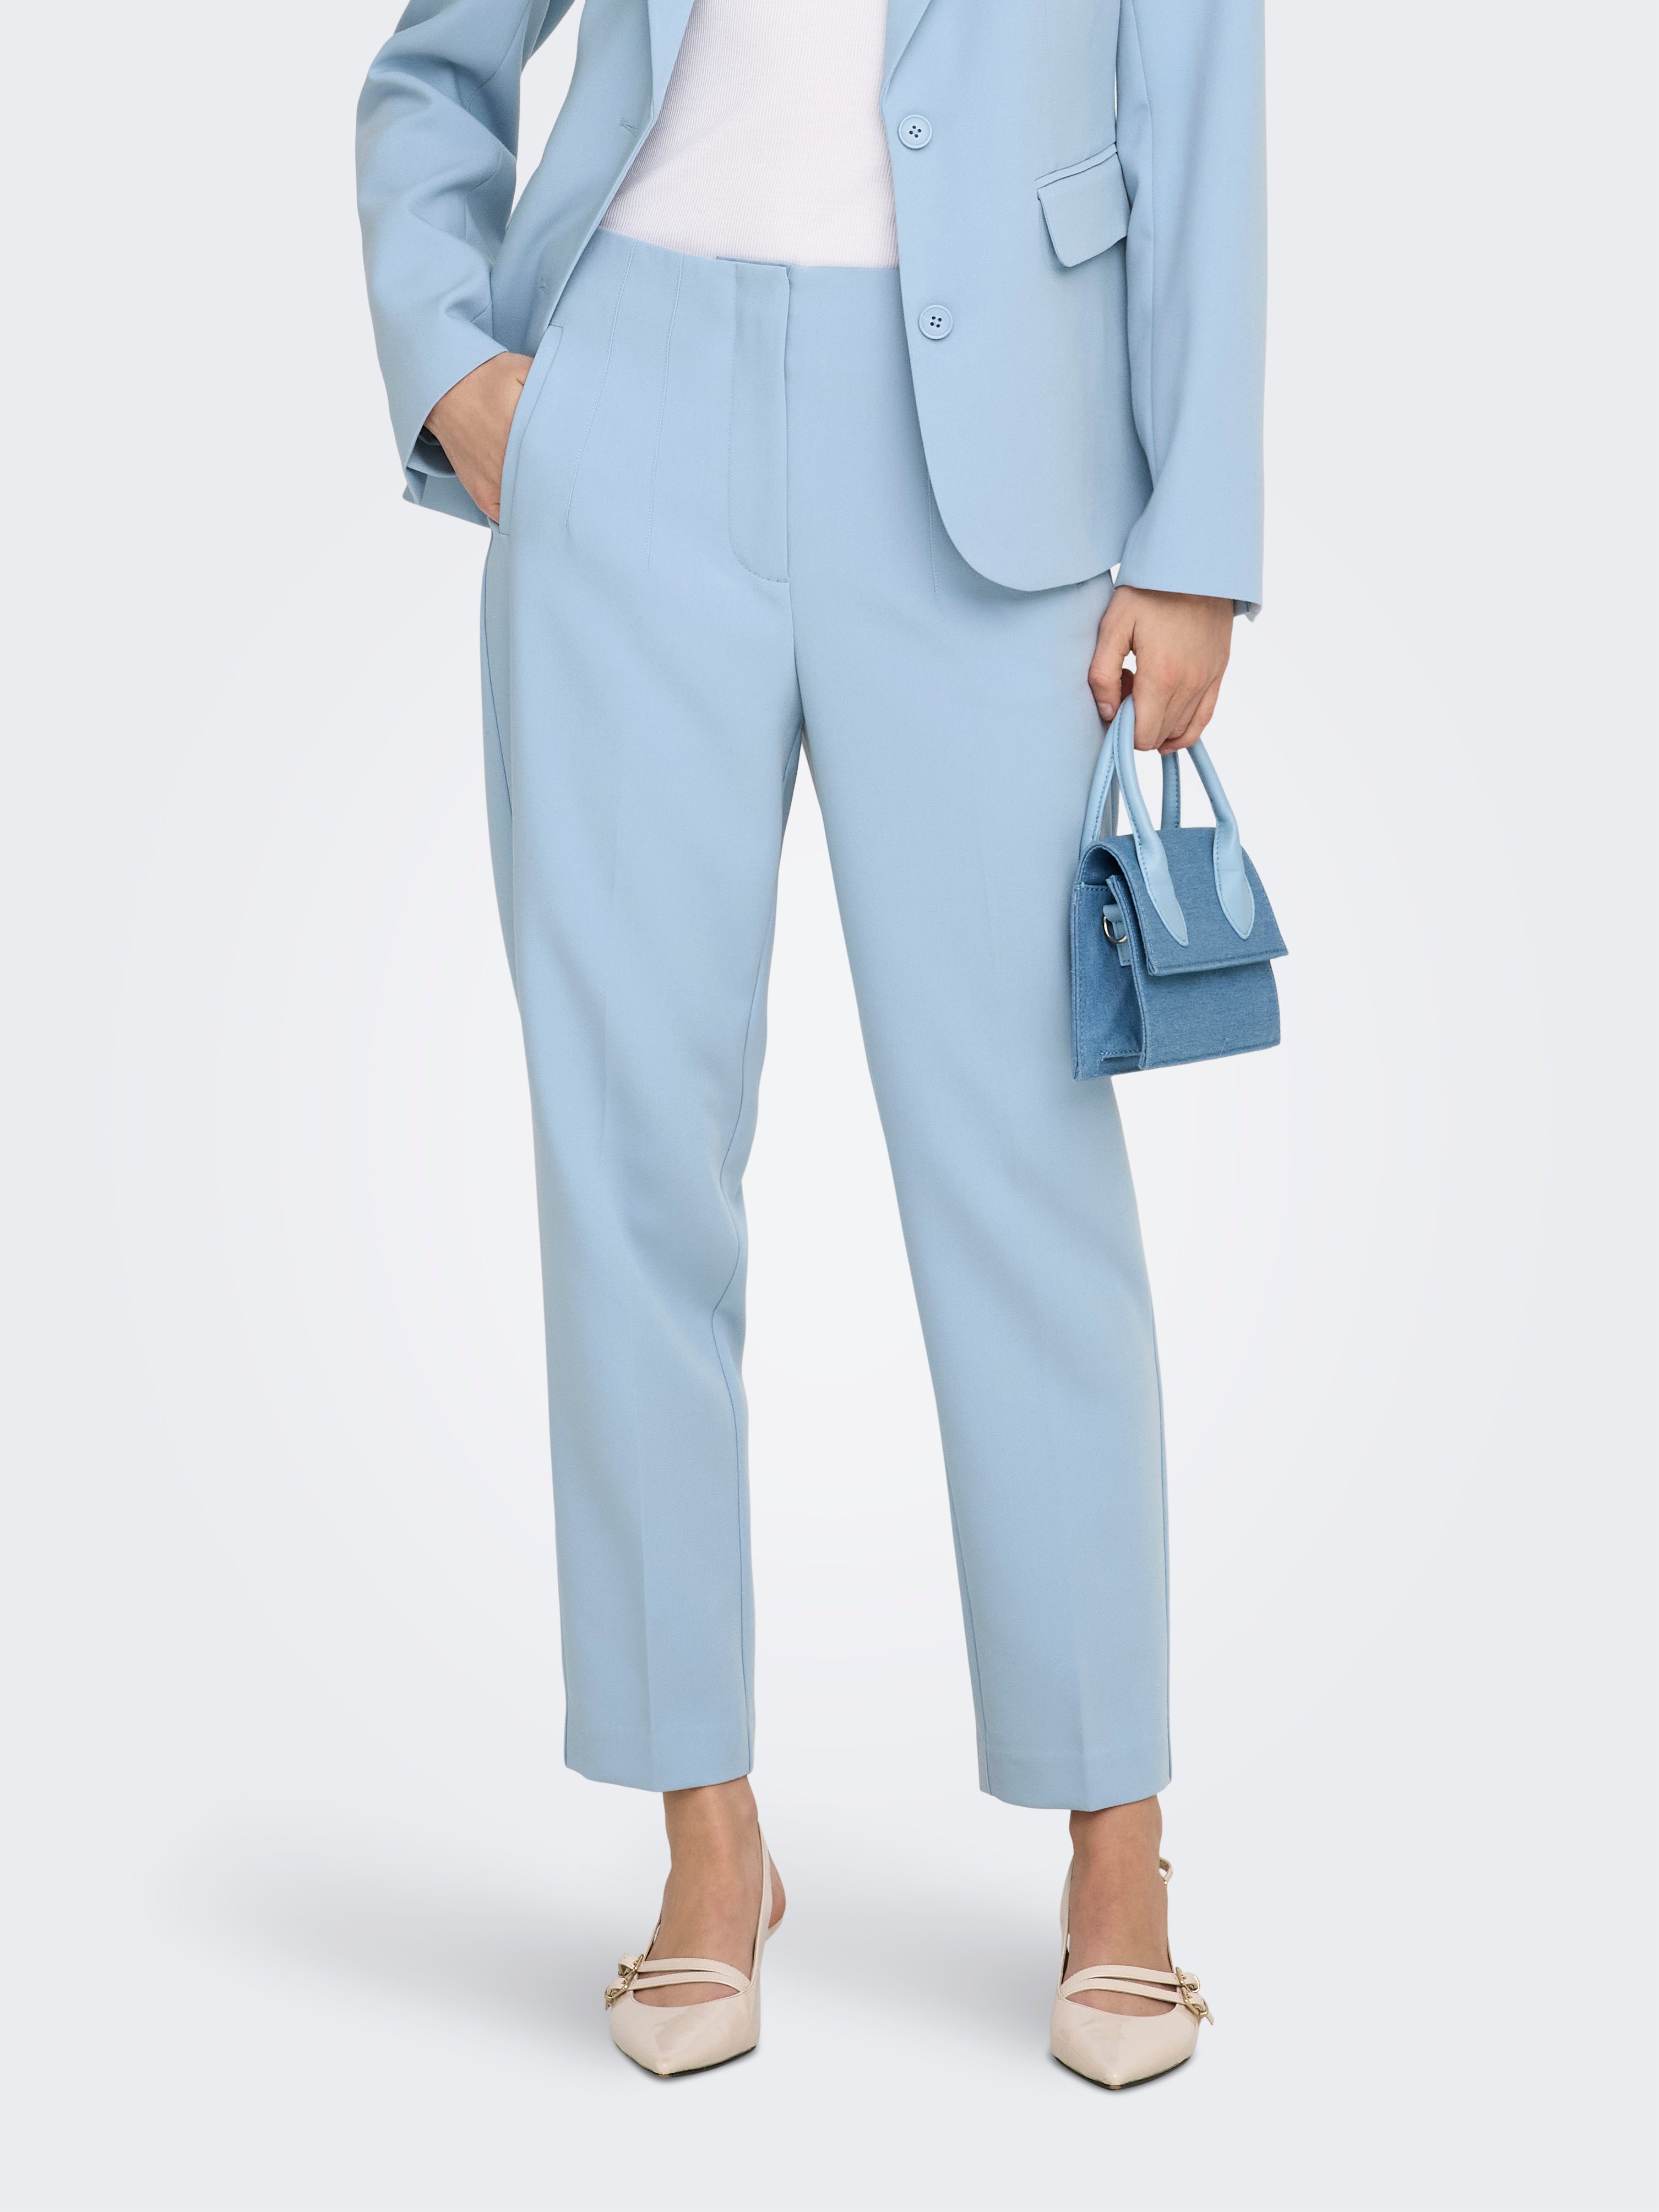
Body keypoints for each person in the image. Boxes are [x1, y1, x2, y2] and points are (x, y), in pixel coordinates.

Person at [356, 0, 1263, 2086]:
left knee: (1021, 1155)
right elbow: (433, 70)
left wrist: (1197, 537)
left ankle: (1116, 1839)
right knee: (629, 1151)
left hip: (1002, 454)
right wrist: (453, 363)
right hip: (627, 410)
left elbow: (1200, 92)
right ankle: (705, 1829)